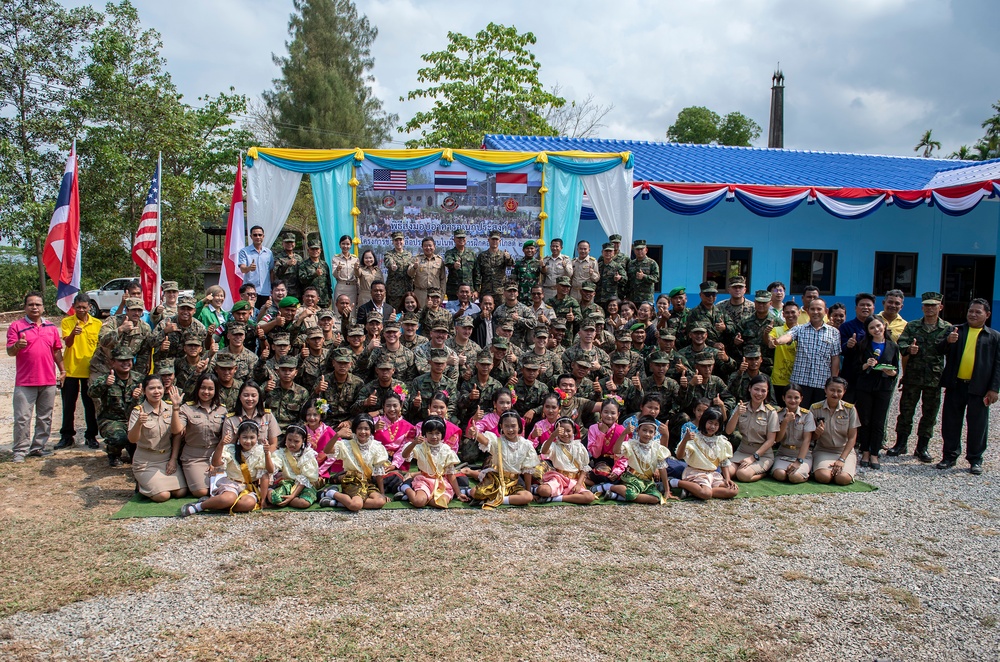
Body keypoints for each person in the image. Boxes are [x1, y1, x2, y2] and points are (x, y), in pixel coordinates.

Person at [937, 298, 1000, 475]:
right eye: (970, 311)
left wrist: (994, 389)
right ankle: (949, 456)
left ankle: (975, 459)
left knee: (978, 425)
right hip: (956, 386)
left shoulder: (994, 337)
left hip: (979, 389)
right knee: (950, 422)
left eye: (977, 312)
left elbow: (998, 365)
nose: (973, 314)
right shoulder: (956, 330)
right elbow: (938, 349)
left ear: (987, 315)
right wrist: (948, 341)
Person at [889, 291, 951, 462]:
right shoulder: (913, 326)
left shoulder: (947, 328)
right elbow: (901, 343)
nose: (930, 308)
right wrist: (910, 349)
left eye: (933, 305)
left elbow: (951, 352)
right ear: (922, 307)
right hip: (913, 377)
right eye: (927, 305)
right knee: (906, 411)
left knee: (930, 413)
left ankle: (922, 447)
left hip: (934, 378)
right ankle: (901, 443)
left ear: (940, 307)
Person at [8, 292, 65, 462]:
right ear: (25, 307)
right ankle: (20, 450)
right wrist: (17, 345)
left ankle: (38, 447)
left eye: (38, 304)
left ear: (43, 307)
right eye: (31, 304)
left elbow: (56, 351)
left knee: (45, 417)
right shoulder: (16, 327)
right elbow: (10, 351)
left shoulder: (51, 328)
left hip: (47, 380)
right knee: (22, 417)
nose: (35, 307)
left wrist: (62, 370)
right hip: (25, 381)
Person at [180, 420, 273, 516]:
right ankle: (200, 506)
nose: (248, 441)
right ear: (239, 437)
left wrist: (267, 454)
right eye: (244, 437)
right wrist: (221, 445)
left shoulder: (261, 450)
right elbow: (216, 463)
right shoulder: (230, 449)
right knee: (228, 498)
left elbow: (269, 471)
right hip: (231, 484)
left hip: (249, 487)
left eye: (252, 437)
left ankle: (215, 503)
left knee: (248, 504)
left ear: (257, 437)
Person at [771, 298, 841, 407]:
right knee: (798, 417)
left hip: (822, 383)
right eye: (812, 309)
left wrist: (832, 381)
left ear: (826, 311)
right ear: (807, 311)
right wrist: (778, 341)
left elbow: (835, 358)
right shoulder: (799, 329)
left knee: (818, 417)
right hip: (800, 382)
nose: (815, 312)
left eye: (819, 309)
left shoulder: (834, 332)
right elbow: (788, 336)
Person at [129, 376, 187, 502]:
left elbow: (177, 433)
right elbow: (132, 439)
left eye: (159, 388)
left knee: (181, 492)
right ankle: (141, 484)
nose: (156, 391)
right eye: (152, 388)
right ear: (144, 391)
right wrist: (138, 423)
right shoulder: (138, 411)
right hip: (146, 462)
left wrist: (173, 459)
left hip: (166, 460)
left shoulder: (171, 408)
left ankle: (153, 485)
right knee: (163, 496)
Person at [852, 316, 899, 470]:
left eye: (878, 326)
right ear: (868, 331)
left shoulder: (892, 346)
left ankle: (874, 453)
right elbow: (855, 368)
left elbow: (896, 370)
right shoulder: (863, 345)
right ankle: (864, 451)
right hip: (865, 387)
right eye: (872, 328)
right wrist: (866, 365)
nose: (876, 330)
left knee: (879, 421)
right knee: (865, 420)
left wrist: (889, 371)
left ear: (884, 326)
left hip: (883, 387)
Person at [56, 293, 102, 450]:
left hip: (90, 371)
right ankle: (67, 436)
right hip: (71, 370)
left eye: (84, 307)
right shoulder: (67, 322)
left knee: (90, 405)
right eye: (78, 307)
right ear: (73, 307)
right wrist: (73, 335)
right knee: (69, 404)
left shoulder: (97, 324)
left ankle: (91, 436)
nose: (81, 310)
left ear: (90, 307)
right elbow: (67, 344)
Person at [467, 411, 539, 509]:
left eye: (513, 426)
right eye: (507, 426)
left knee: (527, 497)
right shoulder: (498, 442)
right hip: (496, 479)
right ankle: (500, 498)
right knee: (474, 492)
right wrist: (476, 433)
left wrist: (528, 490)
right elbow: (486, 441)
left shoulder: (526, 445)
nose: (510, 429)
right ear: (501, 426)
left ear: (519, 426)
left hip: (514, 482)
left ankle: (496, 499)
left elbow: (527, 471)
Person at [171, 374, 227, 498]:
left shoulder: (222, 410)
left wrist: (216, 460)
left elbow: (225, 439)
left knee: (220, 487)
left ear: (216, 390)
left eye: (210, 389)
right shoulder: (187, 408)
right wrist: (175, 408)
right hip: (193, 457)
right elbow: (176, 431)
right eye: (203, 388)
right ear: (197, 389)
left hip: (216, 456)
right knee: (200, 492)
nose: (206, 392)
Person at [319, 414, 389, 511]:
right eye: (360, 428)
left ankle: (338, 502)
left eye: (366, 429)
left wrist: (382, 493)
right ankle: (331, 493)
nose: (363, 432)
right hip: (352, 481)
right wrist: (337, 435)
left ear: (371, 430)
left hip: (367, 482)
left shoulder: (376, 446)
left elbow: (379, 473)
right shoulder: (347, 444)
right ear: (355, 430)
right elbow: (327, 450)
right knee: (356, 505)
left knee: (380, 501)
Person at [89, 347, 143, 466]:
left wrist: (138, 397)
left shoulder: (139, 379)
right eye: (121, 361)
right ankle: (114, 454)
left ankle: (132, 449)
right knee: (119, 438)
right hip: (111, 420)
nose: (125, 363)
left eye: (128, 360)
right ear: (112, 362)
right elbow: (92, 393)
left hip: (133, 420)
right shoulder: (106, 378)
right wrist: (104, 384)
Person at [399, 417, 465, 509]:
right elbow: (405, 455)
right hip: (424, 480)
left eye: (437, 433)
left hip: (441, 482)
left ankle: (424, 498)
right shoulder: (420, 447)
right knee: (418, 502)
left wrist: (458, 494)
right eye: (430, 433)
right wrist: (414, 443)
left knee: (441, 504)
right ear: (425, 434)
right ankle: (405, 487)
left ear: (442, 434)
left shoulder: (446, 450)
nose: (434, 437)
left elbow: (450, 473)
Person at [606, 417, 675, 504]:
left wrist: (667, 490)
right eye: (644, 430)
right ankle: (611, 487)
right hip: (632, 479)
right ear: (638, 430)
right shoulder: (632, 444)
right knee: (631, 493)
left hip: (648, 481)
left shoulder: (656, 448)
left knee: (656, 498)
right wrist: (624, 433)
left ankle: (617, 496)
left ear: (654, 434)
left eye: (651, 432)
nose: (647, 434)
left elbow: (662, 468)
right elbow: (616, 451)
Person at [673, 408, 738, 500]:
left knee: (733, 490)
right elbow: (679, 456)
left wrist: (727, 478)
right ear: (704, 422)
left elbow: (724, 462)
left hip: (713, 474)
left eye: (716, 424)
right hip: (696, 473)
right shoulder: (694, 438)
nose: (712, 427)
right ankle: (676, 482)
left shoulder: (721, 441)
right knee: (706, 494)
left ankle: (693, 491)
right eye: (710, 423)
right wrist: (685, 441)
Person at [724, 375, 780, 482]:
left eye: (763, 391)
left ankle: (764, 473)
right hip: (743, 450)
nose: (759, 394)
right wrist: (736, 414)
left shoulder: (771, 412)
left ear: (768, 392)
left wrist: (753, 458)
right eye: (756, 389)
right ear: (750, 388)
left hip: (762, 454)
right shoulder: (741, 407)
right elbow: (728, 431)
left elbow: (771, 440)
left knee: (742, 475)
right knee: (727, 472)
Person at [809, 376, 860, 485]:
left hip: (844, 451)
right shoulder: (815, 408)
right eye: (832, 390)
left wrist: (842, 459)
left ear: (844, 392)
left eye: (839, 391)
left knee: (842, 479)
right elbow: (810, 437)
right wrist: (817, 434)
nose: (835, 394)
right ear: (825, 390)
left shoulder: (850, 409)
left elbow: (852, 438)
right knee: (823, 477)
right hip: (823, 449)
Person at [535, 417, 597, 504]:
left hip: (574, 480)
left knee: (589, 497)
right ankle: (567, 496)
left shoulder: (579, 446)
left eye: (568, 431)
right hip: (558, 478)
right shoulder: (554, 445)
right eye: (562, 431)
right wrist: (553, 436)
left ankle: (556, 498)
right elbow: (544, 451)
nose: (565, 434)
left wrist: (579, 484)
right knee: (543, 490)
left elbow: (584, 468)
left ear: (573, 431)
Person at [267, 425, 321, 509]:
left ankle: (288, 500)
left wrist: (292, 496)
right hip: (288, 483)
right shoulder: (281, 452)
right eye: (289, 440)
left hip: (304, 485)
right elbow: (272, 468)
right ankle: (271, 491)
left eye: (296, 441)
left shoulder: (308, 454)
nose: (292, 444)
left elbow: (305, 478)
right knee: (274, 498)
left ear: (303, 441)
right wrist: (267, 454)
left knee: (303, 503)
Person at [770, 384, 814, 484]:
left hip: (802, 454)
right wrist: (785, 421)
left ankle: (806, 473)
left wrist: (799, 461)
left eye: (796, 397)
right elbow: (777, 439)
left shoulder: (807, 415)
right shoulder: (778, 414)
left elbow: (807, 440)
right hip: (783, 453)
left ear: (801, 399)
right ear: (783, 398)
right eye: (789, 397)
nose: (792, 400)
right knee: (780, 475)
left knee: (794, 477)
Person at [839, 293, 877, 401]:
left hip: (871, 377)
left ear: (873, 308)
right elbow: (841, 349)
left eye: (868, 305)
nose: (865, 307)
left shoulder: (878, 327)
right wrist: (848, 345)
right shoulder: (846, 327)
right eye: (862, 305)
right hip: (851, 376)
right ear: (856, 308)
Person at [223, 380, 280, 453]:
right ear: (240, 397)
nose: (250, 399)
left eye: (253, 395)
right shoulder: (231, 419)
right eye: (246, 395)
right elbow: (228, 447)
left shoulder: (267, 416)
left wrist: (262, 459)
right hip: (238, 459)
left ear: (259, 397)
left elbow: (274, 444)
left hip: (262, 459)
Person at [237, 225, 273, 308]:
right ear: (251, 236)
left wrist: (272, 288)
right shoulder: (244, 251)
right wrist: (249, 268)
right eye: (255, 235)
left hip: (265, 291)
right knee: (249, 314)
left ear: (263, 236)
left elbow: (271, 271)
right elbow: (242, 269)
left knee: (264, 316)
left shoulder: (268, 253)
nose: (258, 237)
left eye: (260, 235)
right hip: (250, 292)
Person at [407, 237, 446, 308]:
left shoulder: (439, 260)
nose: (428, 248)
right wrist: (414, 267)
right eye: (425, 246)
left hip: (435, 294)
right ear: (422, 247)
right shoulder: (416, 259)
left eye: (430, 245)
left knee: (433, 316)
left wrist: (442, 295)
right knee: (420, 315)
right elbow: (410, 274)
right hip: (420, 293)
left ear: (434, 247)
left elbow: (443, 279)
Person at [383, 231, 414, 310]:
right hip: (394, 292)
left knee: (407, 313)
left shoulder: (409, 255)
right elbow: (388, 261)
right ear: (393, 242)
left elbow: (412, 269)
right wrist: (392, 266)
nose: (398, 242)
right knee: (394, 314)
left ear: (403, 241)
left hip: (407, 290)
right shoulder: (389, 254)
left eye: (400, 240)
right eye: (396, 240)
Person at [298, 239, 332, 307]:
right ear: (308, 250)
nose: (315, 251)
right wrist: (315, 275)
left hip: (323, 299)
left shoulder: (324, 264)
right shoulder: (303, 265)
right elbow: (302, 280)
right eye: (312, 249)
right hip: (310, 299)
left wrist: (330, 296)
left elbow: (328, 282)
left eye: (317, 249)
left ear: (320, 250)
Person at [444, 229, 476, 301]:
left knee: (469, 311)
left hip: (468, 290)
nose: (461, 240)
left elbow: (476, 273)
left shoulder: (472, 254)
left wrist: (476, 290)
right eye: (459, 238)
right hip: (454, 290)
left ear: (466, 239)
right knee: (453, 311)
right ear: (454, 239)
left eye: (463, 238)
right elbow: (448, 262)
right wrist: (454, 265)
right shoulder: (450, 253)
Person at [271, 232, 302, 299]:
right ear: (283, 244)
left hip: (298, 292)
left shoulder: (299, 258)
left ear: (294, 244)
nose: (289, 244)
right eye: (287, 242)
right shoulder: (279, 258)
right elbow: (276, 274)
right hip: (284, 292)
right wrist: (286, 264)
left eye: (291, 242)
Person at [332, 235, 360, 305]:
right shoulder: (336, 258)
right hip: (341, 287)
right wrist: (337, 269)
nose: (345, 246)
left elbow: (357, 276)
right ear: (340, 245)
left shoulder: (355, 259)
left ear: (351, 245)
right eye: (343, 244)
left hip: (352, 288)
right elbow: (334, 274)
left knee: (351, 311)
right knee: (338, 310)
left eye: (348, 244)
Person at [512, 240, 541, 304]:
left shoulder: (538, 263)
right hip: (521, 296)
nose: (529, 250)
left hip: (534, 296)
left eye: (531, 248)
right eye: (527, 248)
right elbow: (513, 279)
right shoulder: (518, 263)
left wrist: (543, 266)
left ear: (535, 251)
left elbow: (544, 275)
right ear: (523, 250)